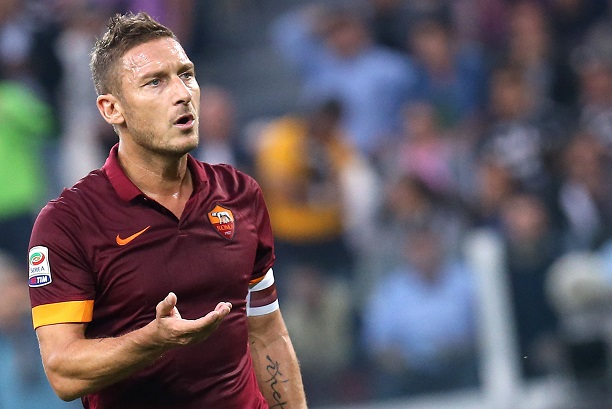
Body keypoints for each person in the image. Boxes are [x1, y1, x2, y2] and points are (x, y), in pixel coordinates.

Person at [27, 12, 307, 409]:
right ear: (111, 109)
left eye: (186, 75)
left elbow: (267, 333)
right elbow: (63, 372)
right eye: (155, 82)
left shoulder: (239, 194)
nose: (182, 93)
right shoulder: (68, 223)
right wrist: (153, 340)